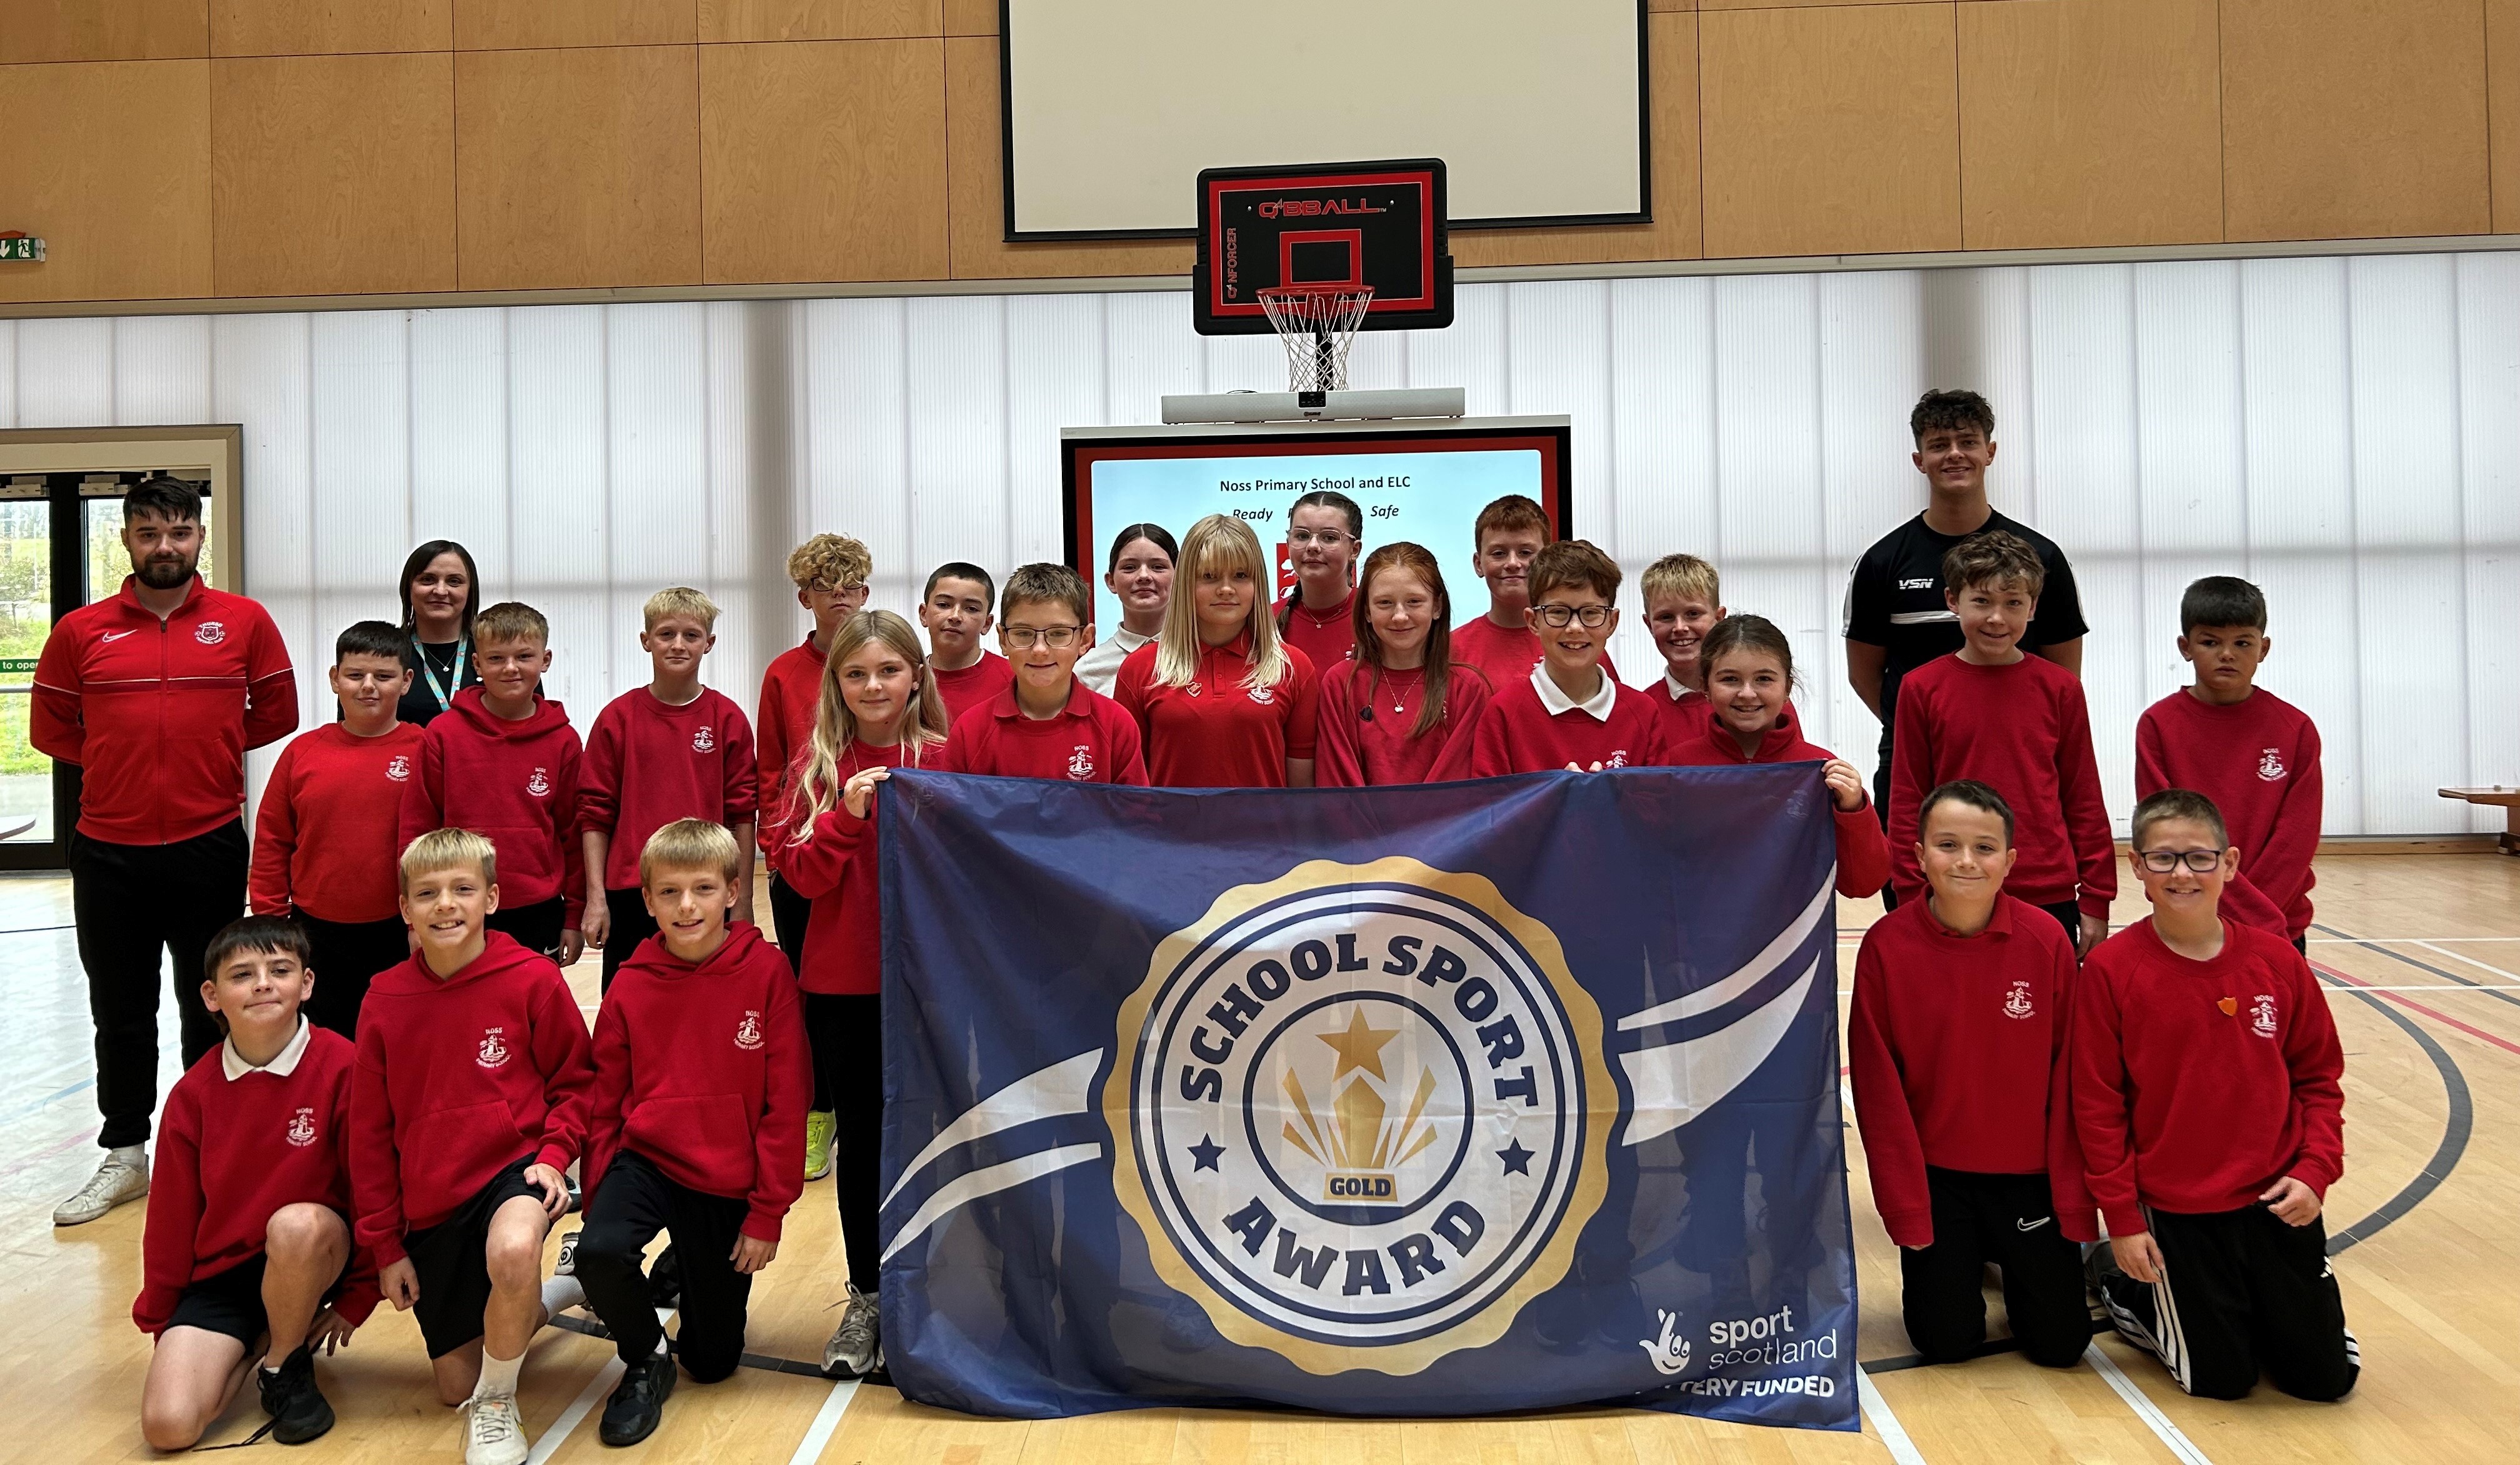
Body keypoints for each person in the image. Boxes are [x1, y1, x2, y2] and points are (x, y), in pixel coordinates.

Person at [32, 474, 299, 1228]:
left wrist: (201, 748)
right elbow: (51, 731)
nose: (165, 546)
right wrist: (122, 755)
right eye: (149, 533)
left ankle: (206, 1145)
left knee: (206, 1003)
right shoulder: (80, 630)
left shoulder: (243, 622)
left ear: (199, 538)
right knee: (119, 1008)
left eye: (179, 532)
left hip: (208, 842)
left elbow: (276, 710)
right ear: (125, 539)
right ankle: (125, 1152)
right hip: (108, 852)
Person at [2078, 789, 2356, 1403]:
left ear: (2229, 864)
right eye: (2165, 858)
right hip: (2179, 1212)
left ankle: (2280, 1310)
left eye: (2200, 858)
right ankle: (2125, 1288)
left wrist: (2316, 1170)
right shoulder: (2110, 972)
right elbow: (2099, 1108)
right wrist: (2122, 1220)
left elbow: (2319, 1079)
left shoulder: (2278, 963)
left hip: (2276, 1200)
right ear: (2138, 867)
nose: (2183, 873)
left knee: (2326, 1383)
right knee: (2221, 1382)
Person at [351, 829, 595, 1465]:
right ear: (405, 908)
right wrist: (385, 1245)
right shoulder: (383, 998)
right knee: (450, 1382)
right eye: (427, 893)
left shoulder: (531, 978)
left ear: (491, 896)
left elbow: (577, 1083)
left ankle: (496, 1402)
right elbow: (370, 1132)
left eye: (462, 889)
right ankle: (561, 1291)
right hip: (431, 1201)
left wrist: (553, 1154)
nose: (445, 904)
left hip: (513, 1173)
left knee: (513, 1249)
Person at [576, 821, 809, 1446]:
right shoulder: (629, 981)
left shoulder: (767, 974)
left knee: (711, 1363)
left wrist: (766, 1214)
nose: (686, 906)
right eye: (670, 892)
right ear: (647, 900)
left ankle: (689, 1259)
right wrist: (599, 1204)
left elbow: (788, 1104)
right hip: (649, 1159)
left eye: (703, 888)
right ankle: (646, 1359)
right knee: (599, 1253)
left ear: (733, 891)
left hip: (728, 1178)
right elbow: (604, 1104)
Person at [1848, 781, 2094, 1370]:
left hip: (2029, 1181)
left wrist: (2076, 1203)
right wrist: (1906, 1208)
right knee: (1946, 1341)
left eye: (1985, 848)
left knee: (2062, 1347)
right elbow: (1879, 1094)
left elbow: (2072, 1079)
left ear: (2010, 861)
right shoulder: (1886, 946)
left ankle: (2116, 1281)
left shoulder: (2046, 940)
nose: (1965, 861)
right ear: (1918, 855)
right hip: (1940, 1184)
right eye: (1948, 844)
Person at [769, 609, 950, 1378]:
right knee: (865, 1146)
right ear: (836, 684)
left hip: (934, 982)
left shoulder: (949, 757)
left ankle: (936, 1290)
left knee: (939, 1138)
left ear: (916, 674)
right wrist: (845, 816)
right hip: (844, 985)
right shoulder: (816, 765)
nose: (874, 686)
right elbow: (800, 876)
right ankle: (869, 1295)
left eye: (888, 670)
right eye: (857, 674)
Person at [136, 918, 378, 1449]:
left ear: (307, 984)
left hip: (311, 1254)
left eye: (280, 970)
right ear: (212, 996)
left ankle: (282, 1366)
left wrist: (361, 1292)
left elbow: (372, 1187)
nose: (263, 983)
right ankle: (268, 1336)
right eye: (242, 974)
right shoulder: (191, 1096)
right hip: (222, 1276)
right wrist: (165, 1320)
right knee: (168, 1427)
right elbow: (171, 1221)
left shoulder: (344, 1066)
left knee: (296, 1224)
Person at [1844, 389, 2086, 846]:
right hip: (1913, 760)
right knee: (1915, 899)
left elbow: (2062, 677)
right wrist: (1931, 727)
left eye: (1967, 441)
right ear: (1920, 459)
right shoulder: (1881, 562)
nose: (1954, 454)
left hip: (2018, 759)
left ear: (1989, 452)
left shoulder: (2043, 558)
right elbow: (1864, 674)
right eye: (1939, 445)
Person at [1887, 532, 2113, 954]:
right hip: (1955, 885)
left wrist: (2098, 896)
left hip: (2046, 889)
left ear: (2033, 607)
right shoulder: (1920, 688)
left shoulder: (2061, 688)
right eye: (1982, 602)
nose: (1997, 618)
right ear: (1953, 600)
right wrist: (1909, 893)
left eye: (2013, 603)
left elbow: (2082, 795)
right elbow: (1907, 799)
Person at [250, 621, 427, 1038]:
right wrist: (274, 924)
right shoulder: (302, 753)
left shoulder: (426, 751)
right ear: (335, 679)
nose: (369, 687)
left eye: (383, 677)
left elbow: (441, 848)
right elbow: (274, 841)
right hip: (315, 933)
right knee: (328, 1044)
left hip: (398, 932)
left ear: (406, 682)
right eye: (355, 675)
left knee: (395, 1039)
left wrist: (420, 927)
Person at [579, 588, 757, 991]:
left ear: (708, 643)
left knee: (704, 1003)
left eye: (691, 635)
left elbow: (743, 815)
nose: (678, 644)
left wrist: (742, 901)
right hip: (631, 891)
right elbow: (594, 815)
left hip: (706, 891)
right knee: (630, 1004)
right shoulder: (617, 719)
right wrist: (596, 899)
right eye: (666, 634)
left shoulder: (727, 719)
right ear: (646, 641)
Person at [2134, 576, 2321, 949]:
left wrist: (2257, 920)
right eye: (2210, 642)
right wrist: (2215, 912)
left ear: (2263, 648)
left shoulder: (2295, 728)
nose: (2227, 654)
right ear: (2185, 647)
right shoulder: (2158, 726)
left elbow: (2295, 841)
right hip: (2187, 919)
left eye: (2242, 643)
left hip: (2277, 925)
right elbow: (2165, 835)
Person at [398, 602, 584, 966]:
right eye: (496, 658)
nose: (511, 668)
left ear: (545, 661)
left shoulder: (563, 741)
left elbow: (573, 833)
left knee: (530, 1012)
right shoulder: (444, 734)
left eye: (524, 656)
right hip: (455, 905)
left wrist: (574, 917)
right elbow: (417, 829)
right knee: (460, 1012)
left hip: (538, 907)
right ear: (477, 665)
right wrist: (414, 918)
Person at [1661, 616, 1887, 898]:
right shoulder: (1675, 767)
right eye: (1730, 679)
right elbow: (1652, 864)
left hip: (1794, 938)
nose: (1747, 693)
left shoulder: (1820, 771)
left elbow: (1863, 884)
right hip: (1701, 935)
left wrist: (1853, 810)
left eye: (1764, 679)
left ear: (1787, 688)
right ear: (1705, 687)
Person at [754, 533, 871, 1039]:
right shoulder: (783, 673)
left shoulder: (884, 665)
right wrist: (774, 852)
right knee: (807, 983)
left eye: (849, 585)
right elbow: (770, 771)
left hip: (865, 847)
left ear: (865, 594)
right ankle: (817, 1100)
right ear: (806, 598)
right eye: (825, 586)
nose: (839, 595)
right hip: (802, 850)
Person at [1114, 514, 1321, 788]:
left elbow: (1303, 793)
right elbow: (1127, 786)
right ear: (1186, 583)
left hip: (1267, 832)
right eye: (1209, 577)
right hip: (1166, 832)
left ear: (1257, 583)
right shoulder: (1138, 670)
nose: (1226, 589)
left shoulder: (1294, 667)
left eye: (1240, 575)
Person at [935, 563, 1148, 784]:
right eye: (1024, 633)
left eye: (1058, 634)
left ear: (1085, 640)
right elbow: (952, 816)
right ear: (1003, 640)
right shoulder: (970, 730)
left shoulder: (1116, 725)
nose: (1040, 650)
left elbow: (1133, 816)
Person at [1466, 539, 1664, 776]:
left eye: (1591, 613)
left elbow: (1657, 807)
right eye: (1558, 612)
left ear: (1612, 623)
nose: (1575, 627)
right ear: (1533, 621)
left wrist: (1612, 797)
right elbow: (1492, 808)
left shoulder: (1643, 712)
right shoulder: (1503, 713)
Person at [1314, 542, 1491, 786]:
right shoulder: (1342, 684)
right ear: (1366, 610)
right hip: (1361, 825)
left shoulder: (1467, 688)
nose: (1399, 616)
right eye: (1385, 603)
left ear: (1437, 607)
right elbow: (1339, 785)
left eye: (1414, 602)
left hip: (1444, 825)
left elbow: (1459, 788)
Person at [1448, 494, 1618, 691]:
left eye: (1526, 553)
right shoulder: (1453, 649)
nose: (1513, 563)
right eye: (1499, 554)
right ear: (1479, 564)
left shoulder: (1578, 644)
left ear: (1546, 559)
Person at [1075, 522, 1175, 696]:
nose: (1144, 576)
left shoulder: (1203, 656)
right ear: (1111, 582)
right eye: (1130, 567)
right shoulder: (1087, 672)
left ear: (1180, 578)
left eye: (1158, 567)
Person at [396, 541, 484, 726]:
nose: (441, 591)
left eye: (454, 581)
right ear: (408, 587)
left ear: (470, 590)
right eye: (428, 579)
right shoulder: (385, 653)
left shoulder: (497, 653)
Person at [1274, 489, 1363, 671]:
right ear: (1288, 542)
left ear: (1354, 550)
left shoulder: (1377, 616)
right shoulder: (1265, 621)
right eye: (1302, 536)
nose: (1313, 546)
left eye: (1329, 537)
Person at [1639, 552, 1724, 739]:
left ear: (1719, 618)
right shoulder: (1640, 713)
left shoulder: (1756, 700)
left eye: (1693, 614)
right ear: (1649, 625)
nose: (1680, 628)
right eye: (1666, 617)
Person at [918, 561, 1012, 724]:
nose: (955, 616)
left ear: (987, 624)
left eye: (971, 609)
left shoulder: (1014, 681)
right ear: (924, 614)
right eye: (943, 605)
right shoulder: (908, 680)